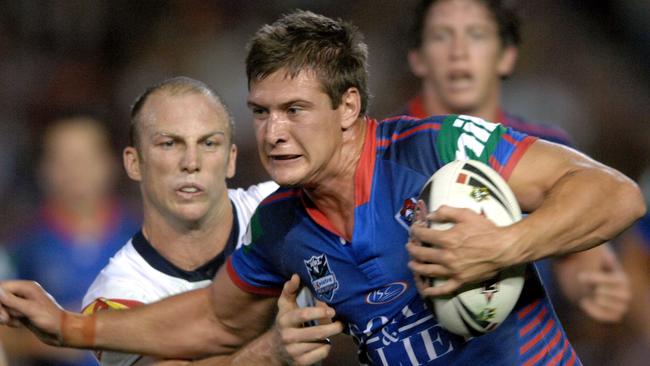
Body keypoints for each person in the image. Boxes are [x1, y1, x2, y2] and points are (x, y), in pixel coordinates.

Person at [0, 10, 644, 366]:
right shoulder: (281, 225)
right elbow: (214, 319)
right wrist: (69, 326)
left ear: (348, 106)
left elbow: (615, 194)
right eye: (260, 112)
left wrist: (506, 245)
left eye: (294, 110)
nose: (273, 133)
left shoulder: (435, 147)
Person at [402, 0, 631, 324]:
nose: (459, 51)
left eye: (477, 35)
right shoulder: (384, 150)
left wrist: (589, 285)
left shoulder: (551, 149)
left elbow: (578, 258)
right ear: (418, 58)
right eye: (441, 36)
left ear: (506, 56)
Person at [1, 116, 141, 366]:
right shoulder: (20, 247)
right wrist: (54, 332)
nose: (75, 170)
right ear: (43, 169)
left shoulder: (146, 239)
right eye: (62, 159)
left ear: (111, 163)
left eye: (85, 158)